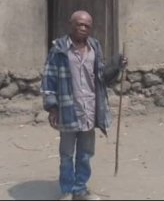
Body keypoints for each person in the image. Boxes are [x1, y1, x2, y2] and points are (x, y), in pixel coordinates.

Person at [41, 10, 128, 201]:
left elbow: (102, 76)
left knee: (86, 154)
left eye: (87, 25)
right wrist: (52, 107)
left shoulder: (94, 47)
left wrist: (117, 66)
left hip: (90, 108)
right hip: (68, 109)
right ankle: (67, 190)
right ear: (71, 24)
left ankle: (80, 189)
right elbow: (49, 78)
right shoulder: (59, 49)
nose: (83, 28)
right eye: (79, 24)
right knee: (66, 154)